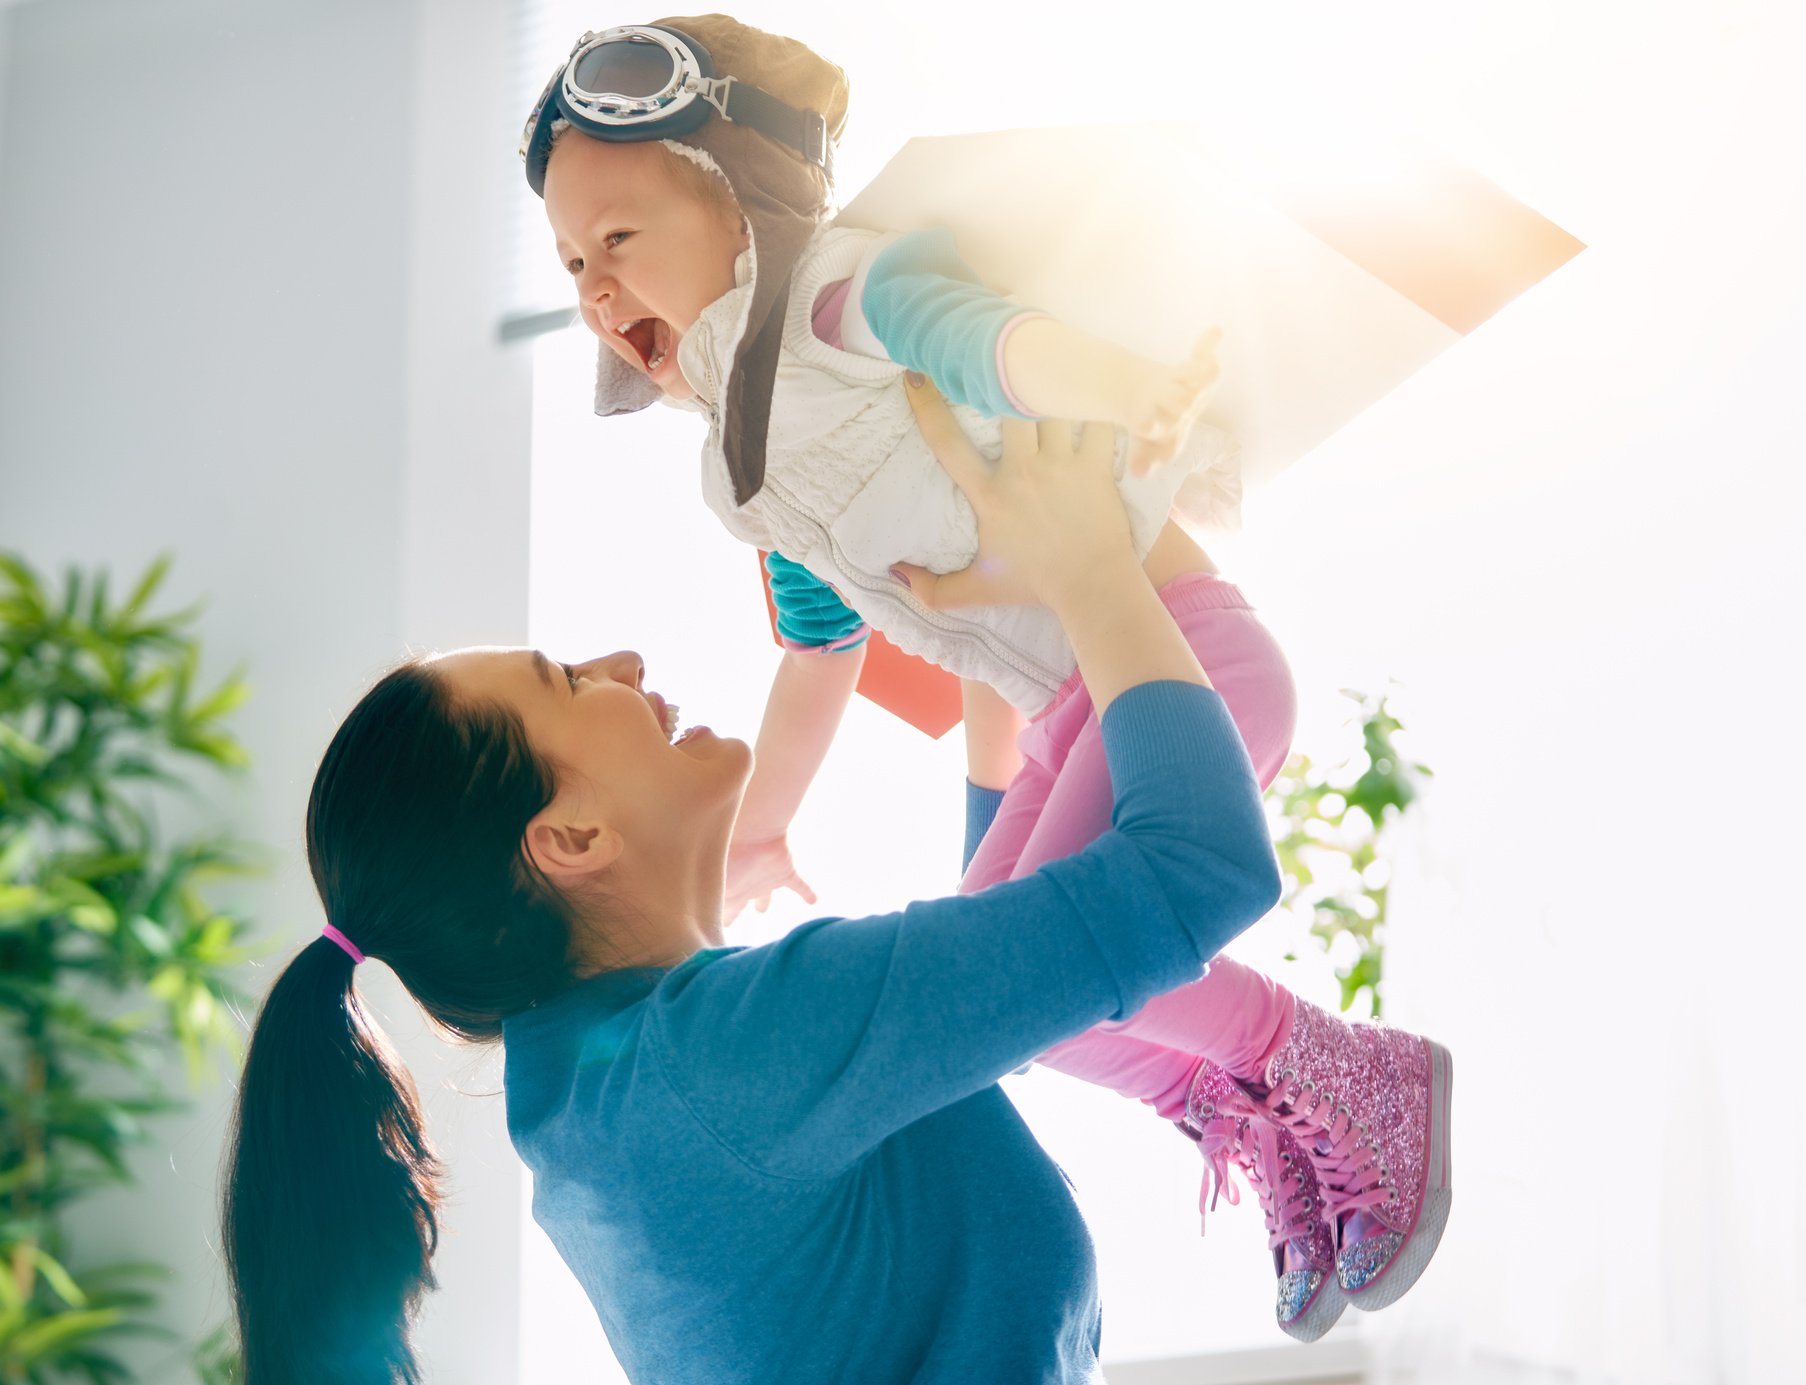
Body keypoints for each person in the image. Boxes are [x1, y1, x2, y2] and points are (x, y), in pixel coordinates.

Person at [519, 16, 1452, 1335]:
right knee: (1012, 1003)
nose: (595, 285)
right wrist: (767, 820)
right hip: (1078, 703)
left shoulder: (837, 296)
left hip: (1179, 655)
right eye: (571, 262)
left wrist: (1119, 385)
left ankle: (1340, 1071)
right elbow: (816, 647)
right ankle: (1249, 1108)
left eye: (617, 238)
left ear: (737, 190)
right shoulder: (741, 469)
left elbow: (977, 339)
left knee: (1051, 970)